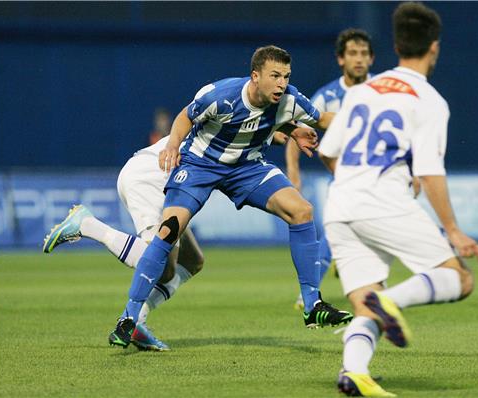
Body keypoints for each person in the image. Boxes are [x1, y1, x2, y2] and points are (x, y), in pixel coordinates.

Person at [108, 45, 354, 349]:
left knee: (301, 210)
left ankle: (313, 306)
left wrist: (357, 117)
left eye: (286, 76)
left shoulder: (289, 99)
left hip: (247, 168)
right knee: (170, 229)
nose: (281, 83)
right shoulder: (221, 95)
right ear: (255, 76)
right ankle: (128, 318)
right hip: (200, 165)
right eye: (275, 75)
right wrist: (172, 144)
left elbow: (323, 119)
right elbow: (186, 116)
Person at [318, 3, 478, 396]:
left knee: (363, 302)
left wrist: (353, 184)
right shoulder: (429, 100)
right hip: (383, 201)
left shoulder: (362, 92)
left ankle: (354, 372)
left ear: (395, 46)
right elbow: (429, 173)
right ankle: (389, 301)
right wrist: (454, 231)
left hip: (340, 205)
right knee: (459, 278)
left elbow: (328, 150)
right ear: (434, 48)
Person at [43, 136, 205, 352]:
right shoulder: (233, 121)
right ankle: (88, 225)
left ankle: (137, 321)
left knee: (192, 260)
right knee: (164, 269)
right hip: (152, 179)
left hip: (167, 181)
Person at [286, 28, 375, 310]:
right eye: (352, 53)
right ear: (340, 59)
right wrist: (294, 172)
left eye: (363, 54)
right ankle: (310, 293)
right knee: (334, 231)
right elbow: (297, 130)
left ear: (371, 59)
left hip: (379, 177)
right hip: (343, 177)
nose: (358, 59)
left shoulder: (381, 91)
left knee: (358, 232)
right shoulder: (327, 96)